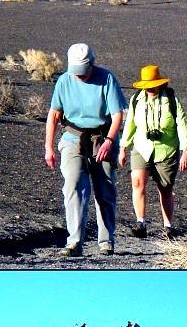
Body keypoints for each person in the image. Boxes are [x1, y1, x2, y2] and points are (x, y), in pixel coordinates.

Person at [45, 43, 127, 257]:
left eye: (82, 71)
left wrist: (109, 140)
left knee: (105, 189)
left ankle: (106, 240)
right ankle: (74, 242)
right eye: (76, 72)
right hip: (73, 137)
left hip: (103, 137)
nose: (79, 76)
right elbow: (54, 115)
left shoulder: (106, 78)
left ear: (92, 63)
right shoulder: (64, 81)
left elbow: (118, 114)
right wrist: (49, 147)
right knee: (73, 186)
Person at [119, 65, 187, 239]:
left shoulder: (172, 100)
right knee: (137, 183)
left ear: (160, 84)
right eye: (146, 85)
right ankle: (140, 223)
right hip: (141, 147)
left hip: (166, 150)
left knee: (165, 189)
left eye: (152, 84)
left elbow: (182, 124)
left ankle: (168, 226)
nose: (149, 88)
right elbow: (130, 124)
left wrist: (185, 150)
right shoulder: (137, 100)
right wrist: (123, 148)